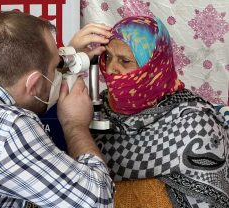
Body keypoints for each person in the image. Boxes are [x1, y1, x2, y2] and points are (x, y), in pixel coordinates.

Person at [0, 11, 115, 207]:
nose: (57, 73)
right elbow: (98, 201)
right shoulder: (11, 127)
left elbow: (28, 89)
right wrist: (75, 126)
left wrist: (64, 57)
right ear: (33, 83)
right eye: (55, 68)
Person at [91, 16, 229, 207]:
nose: (112, 68)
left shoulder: (196, 122)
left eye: (125, 61)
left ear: (154, 67)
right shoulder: (98, 110)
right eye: (108, 57)